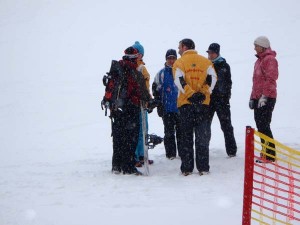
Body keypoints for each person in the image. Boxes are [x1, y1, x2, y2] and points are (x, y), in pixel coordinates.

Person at [101, 46, 151, 175]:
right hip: (131, 109)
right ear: (135, 58)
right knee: (130, 139)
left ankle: (116, 166)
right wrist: (150, 101)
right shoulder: (135, 73)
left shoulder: (116, 70)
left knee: (118, 138)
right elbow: (143, 93)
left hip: (116, 109)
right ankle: (128, 166)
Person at [172, 38, 217, 176]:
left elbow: (179, 81)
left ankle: (187, 168)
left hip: (186, 104)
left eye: (179, 47)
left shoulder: (179, 63)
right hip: (203, 105)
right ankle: (203, 168)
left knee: (186, 137)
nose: (178, 50)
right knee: (202, 137)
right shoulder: (206, 61)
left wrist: (191, 95)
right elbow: (212, 79)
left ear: (185, 47)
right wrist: (203, 93)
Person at [249, 36, 278, 162]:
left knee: (264, 125)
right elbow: (256, 82)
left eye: (256, 45)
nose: (254, 48)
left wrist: (264, 96)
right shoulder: (258, 61)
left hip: (267, 97)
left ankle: (270, 154)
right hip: (257, 98)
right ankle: (265, 152)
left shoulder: (269, 59)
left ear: (262, 46)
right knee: (260, 125)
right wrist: (252, 97)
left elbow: (271, 79)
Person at [206, 43, 237, 157]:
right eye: (209, 52)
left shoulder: (224, 65)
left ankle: (231, 150)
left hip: (222, 100)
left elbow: (229, 83)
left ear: (217, 53)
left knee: (226, 125)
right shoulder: (206, 65)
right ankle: (204, 149)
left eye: (212, 53)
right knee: (205, 126)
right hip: (209, 100)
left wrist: (226, 96)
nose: (210, 55)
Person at [152, 49, 181, 160]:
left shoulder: (181, 72)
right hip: (167, 108)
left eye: (173, 58)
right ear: (166, 59)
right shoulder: (161, 73)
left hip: (180, 108)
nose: (171, 60)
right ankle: (170, 154)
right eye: (169, 58)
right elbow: (155, 89)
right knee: (169, 133)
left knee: (182, 133)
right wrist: (159, 104)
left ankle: (183, 153)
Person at [132, 41, 154, 167]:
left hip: (143, 103)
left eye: (139, 53)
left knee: (143, 130)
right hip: (136, 103)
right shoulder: (133, 68)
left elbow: (146, 86)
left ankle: (142, 155)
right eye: (135, 52)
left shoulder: (142, 67)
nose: (137, 55)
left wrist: (149, 98)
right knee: (137, 130)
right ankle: (136, 155)